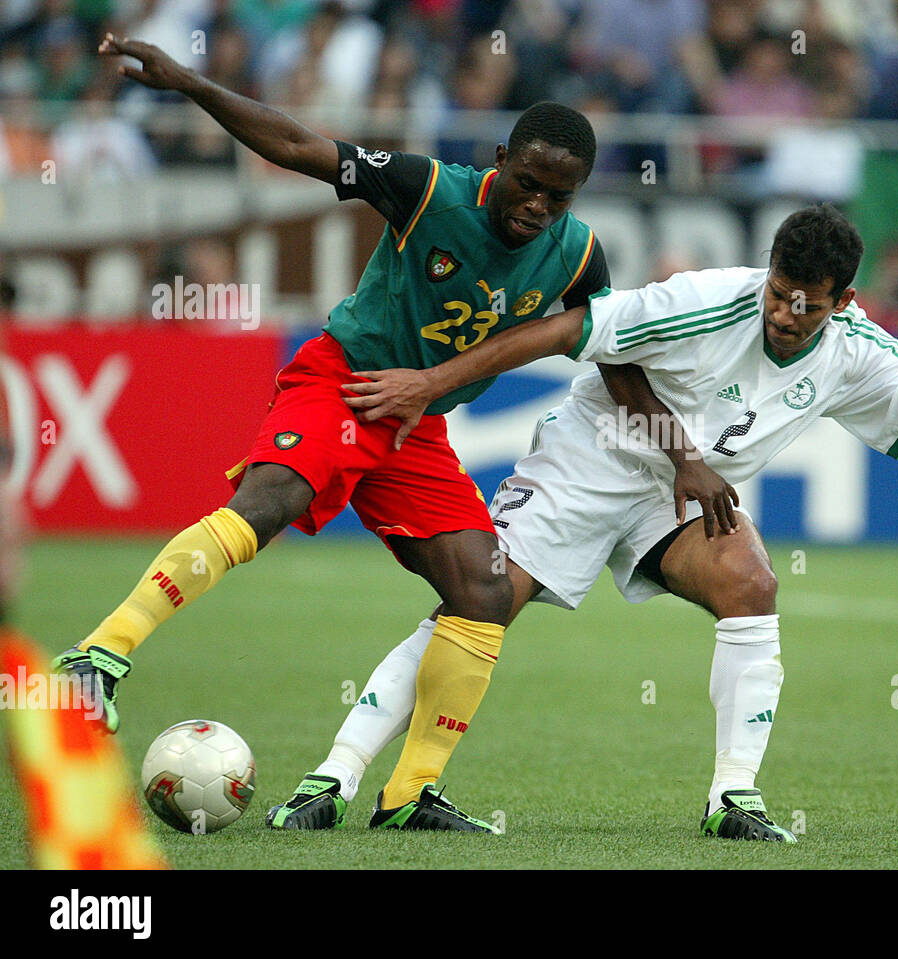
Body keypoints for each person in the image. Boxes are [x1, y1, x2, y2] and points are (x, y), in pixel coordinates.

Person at [55, 34, 701, 834]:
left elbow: (614, 360)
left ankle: (408, 795)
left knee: (485, 592)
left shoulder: (578, 258)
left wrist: (684, 456)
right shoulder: (428, 188)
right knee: (274, 498)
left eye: (557, 198)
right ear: (501, 159)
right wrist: (187, 82)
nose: (537, 206)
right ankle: (99, 655)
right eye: (528, 184)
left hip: (415, 427)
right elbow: (298, 145)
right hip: (346, 383)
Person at [269, 205, 898, 840]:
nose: (785, 312)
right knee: (484, 599)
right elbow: (563, 332)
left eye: (806, 303)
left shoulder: (857, 352)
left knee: (752, 583)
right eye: (778, 292)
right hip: (592, 457)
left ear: (843, 301)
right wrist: (432, 381)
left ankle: (733, 798)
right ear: (767, 273)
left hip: (679, 498)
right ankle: (336, 774)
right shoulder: (705, 299)